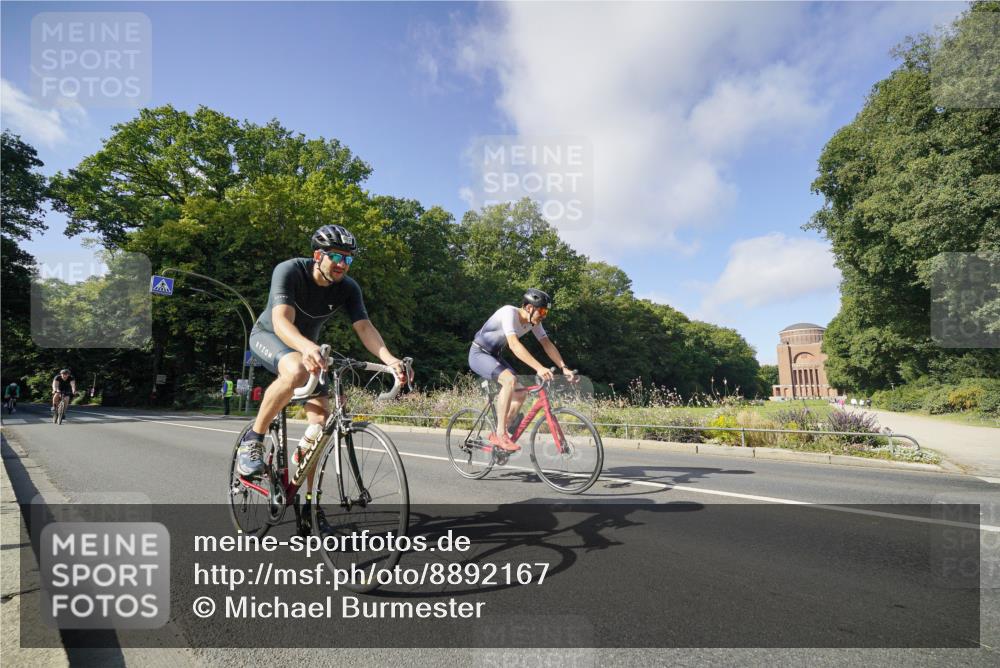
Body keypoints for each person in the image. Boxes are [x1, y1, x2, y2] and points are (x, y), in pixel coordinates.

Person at [237, 224, 409, 478]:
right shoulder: (290, 271)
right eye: (337, 256)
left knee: (319, 430)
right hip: (271, 336)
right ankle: (254, 439)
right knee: (296, 369)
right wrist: (307, 346)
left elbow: (364, 327)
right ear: (318, 255)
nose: (343, 263)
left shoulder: (348, 288)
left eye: (348, 258)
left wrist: (391, 360)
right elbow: (281, 321)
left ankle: (308, 508)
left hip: (310, 349)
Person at [468, 288, 574, 452]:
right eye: (543, 311)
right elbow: (514, 345)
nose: (544, 315)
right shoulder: (508, 313)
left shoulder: (533, 322)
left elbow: (547, 343)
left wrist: (564, 367)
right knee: (509, 381)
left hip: (494, 356)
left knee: (521, 392)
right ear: (530, 308)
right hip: (478, 353)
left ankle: (501, 431)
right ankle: (501, 434)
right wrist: (539, 367)